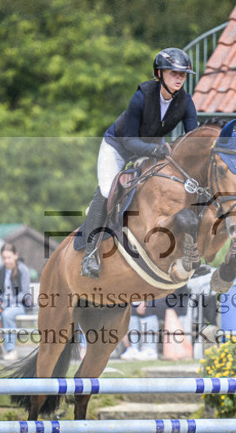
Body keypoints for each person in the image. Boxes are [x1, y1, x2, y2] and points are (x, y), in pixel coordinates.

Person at [80, 48, 198, 278]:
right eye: (174, 72)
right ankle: (89, 253)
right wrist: (155, 150)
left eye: (183, 75)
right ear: (160, 74)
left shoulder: (185, 101)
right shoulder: (142, 96)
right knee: (106, 191)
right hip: (119, 147)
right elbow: (129, 139)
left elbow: (193, 138)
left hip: (151, 151)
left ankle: (190, 253)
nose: (179, 78)